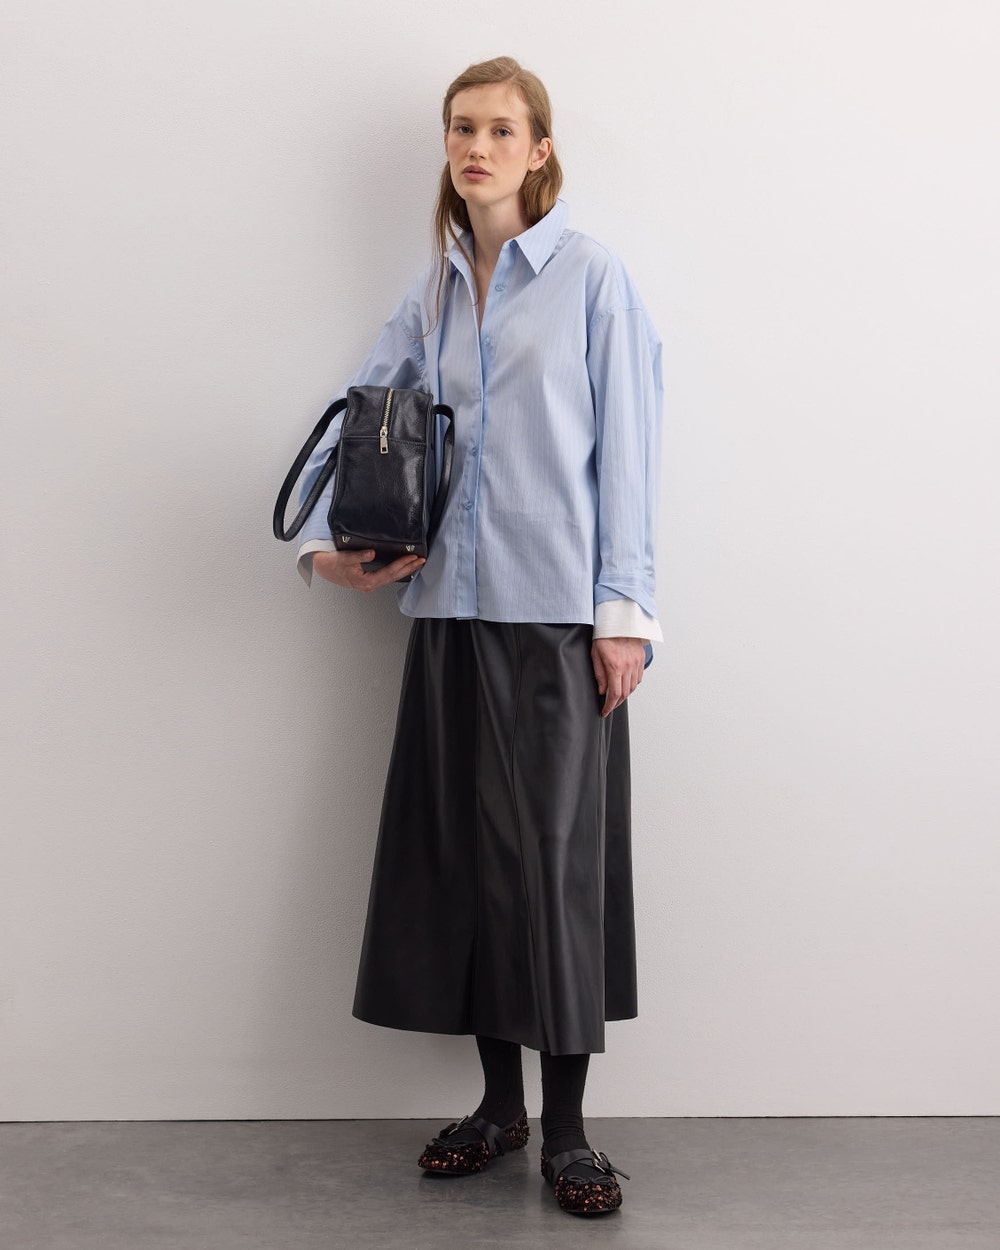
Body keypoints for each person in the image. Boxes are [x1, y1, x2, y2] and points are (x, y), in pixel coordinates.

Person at [291, 56, 663, 1217]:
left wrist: (624, 613)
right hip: (448, 612)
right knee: (465, 866)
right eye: (462, 127)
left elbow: (630, 454)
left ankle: (570, 1131)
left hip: (557, 620)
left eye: (502, 129)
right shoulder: (438, 290)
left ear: (539, 149)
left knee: (551, 867)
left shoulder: (593, 278)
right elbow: (361, 412)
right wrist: (322, 545)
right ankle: (500, 1108)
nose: (478, 147)